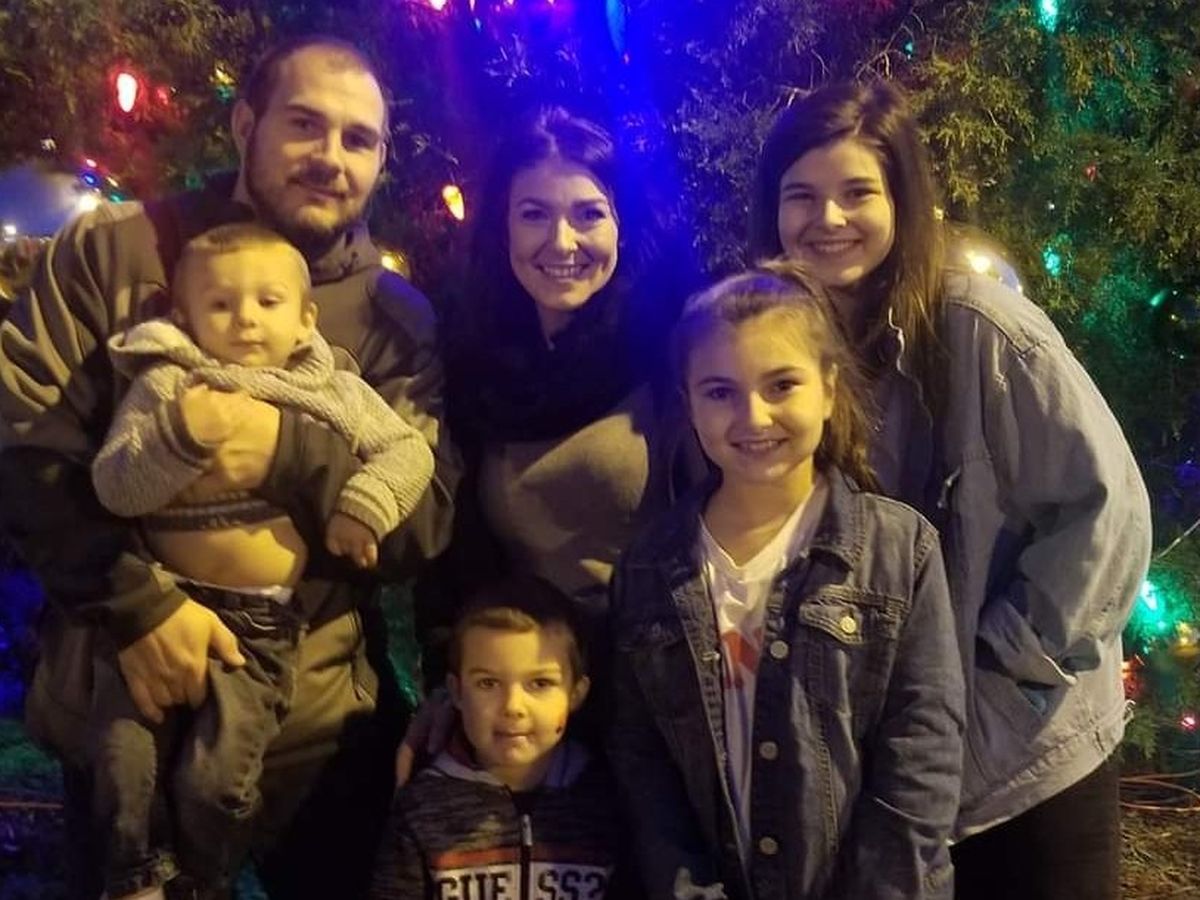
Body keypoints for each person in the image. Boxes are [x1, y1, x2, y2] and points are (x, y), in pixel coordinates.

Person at [0, 34, 456, 900]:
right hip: (128, 696)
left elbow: (422, 520)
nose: (331, 157)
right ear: (246, 123)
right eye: (304, 124)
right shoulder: (114, 253)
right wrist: (137, 606)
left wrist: (287, 453)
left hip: (318, 731)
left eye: (359, 139)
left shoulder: (394, 319)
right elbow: (24, 444)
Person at [748, 79, 1151, 900]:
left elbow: (1106, 516)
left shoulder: (983, 330)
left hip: (1029, 764)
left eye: (857, 192)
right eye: (801, 196)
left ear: (902, 199)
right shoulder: (774, 354)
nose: (828, 219)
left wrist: (991, 679)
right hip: (895, 782)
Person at [87, 222, 436, 899]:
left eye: (268, 302)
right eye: (220, 304)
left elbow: (409, 451)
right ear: (183, 317)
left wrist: (362, 503)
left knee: (215, 780)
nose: (245, 318)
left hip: (260, 626)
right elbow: (115, 487)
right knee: (123, 759)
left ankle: (202, 881)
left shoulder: (333, 390)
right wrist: (181, 437)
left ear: (306, 318)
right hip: (162, 608)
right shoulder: (166, 384)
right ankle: (135, 875)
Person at [608, 262, 965, 900]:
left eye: (781, 385)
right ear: (688, 403)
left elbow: (921, 758)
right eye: (720, 392)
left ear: (828, 389)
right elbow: (644, 768)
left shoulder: (899, 551)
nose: (753, 416)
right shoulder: (646, 568)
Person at [403, 105, 700, 769]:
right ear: (502, 226)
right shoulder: (474, 359)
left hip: (661, 693)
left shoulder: (668, 349)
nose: (561, 242)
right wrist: (452, 677)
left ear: (622, 224)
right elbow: (454, 548)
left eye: (589, 214)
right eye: (534, 214)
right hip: (526, 700)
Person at [371, 574, 633, 899]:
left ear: (576, 694)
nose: (512, 707)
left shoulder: (606, 799)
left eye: (539, 683)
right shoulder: (420, 807)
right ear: (456, 692)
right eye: (488, 683)